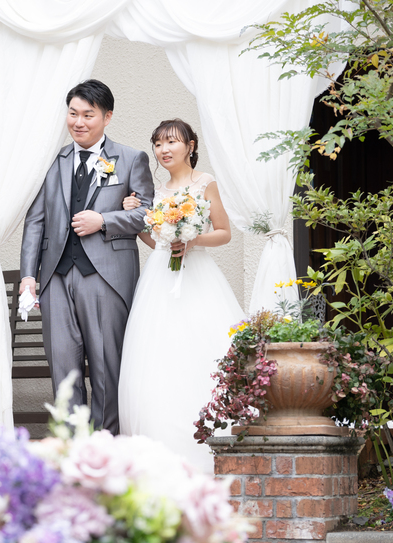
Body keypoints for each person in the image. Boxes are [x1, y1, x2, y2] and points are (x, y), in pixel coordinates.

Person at [20, 79, 154, 434]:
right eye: (73, 113)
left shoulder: (131, 159)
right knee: (63, 368)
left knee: (107, 365)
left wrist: (104, 220)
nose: (78, 122)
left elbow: (149, 215)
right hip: (55, 277)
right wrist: (29, 276)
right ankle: (71, 445)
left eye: (88, 115)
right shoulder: (51, 161)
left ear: (107, 117)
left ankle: (106, 444)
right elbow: (35, 221)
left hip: (106, 276)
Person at [117, 119, 245, 473]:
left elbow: (224, 232)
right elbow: (154, 239)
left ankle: (212, 441)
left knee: (200, 350)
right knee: (157, 356)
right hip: (160, 276)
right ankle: (161, 447)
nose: (164, 149)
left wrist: (193, 239)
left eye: (171, 141)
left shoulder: (205, 183)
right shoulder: (155, 192)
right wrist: (135, 219)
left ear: (190, 146)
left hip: (198, 275)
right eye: (158, 143)